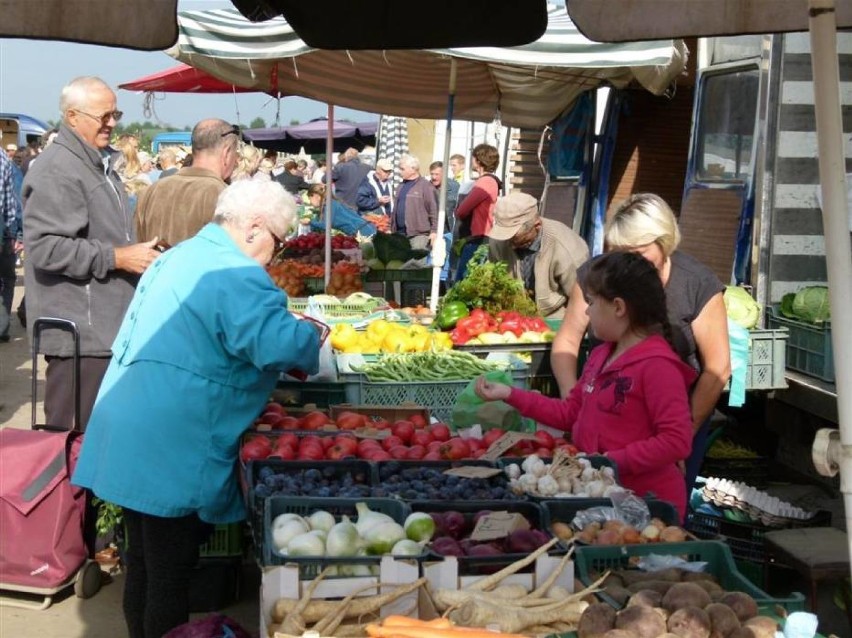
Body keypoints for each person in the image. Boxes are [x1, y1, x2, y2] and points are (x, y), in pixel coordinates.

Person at [72, 179, 322, 638]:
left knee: (144, 563)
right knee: (169, 571)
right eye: (278, 242)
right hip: (172, 436)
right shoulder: (235, 272)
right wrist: (313, 338)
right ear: (254, 227)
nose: (276, 254)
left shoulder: (178, 255)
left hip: (130, 422)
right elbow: (277, 346)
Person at [476, 251, 695, 519]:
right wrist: (509, 394)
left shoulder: (659, 366)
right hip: (600, 494)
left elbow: (676, 441)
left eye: (591, 303)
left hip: (647, 503)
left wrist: (610, 461)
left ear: (618, 307)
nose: (587, 311)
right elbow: (570, 412)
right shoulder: (602, 354)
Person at [550, 193, 731, 495]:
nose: (626, 261)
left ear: (665, 242)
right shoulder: (598, 275)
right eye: (618, 251)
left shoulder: (696, 283)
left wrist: (680, 438)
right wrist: (577, 404)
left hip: (677, 419)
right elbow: (567, 340)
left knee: (658, 511)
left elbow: (718, 369)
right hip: (609, 417)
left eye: (637, 250)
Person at [22, 76, 161, 429]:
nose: (113, 122)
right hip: (80, 336)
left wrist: (135, 251)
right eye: (105, 116)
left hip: (101, 331)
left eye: (116, 113)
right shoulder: (57, 169)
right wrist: (118, 257)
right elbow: (44, 248)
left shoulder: (93, 163)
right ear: (72, 116)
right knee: (70, 446)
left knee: (95, 444)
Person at [135, 119, 239, 246]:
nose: (236, 161)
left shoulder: (150, 191)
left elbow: (136, 249)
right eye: (236, 155)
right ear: (227, 152)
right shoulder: (226, 197)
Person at [487, 191, 589, 319]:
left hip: (556, 319)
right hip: (512, 317)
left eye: (515, 237)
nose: (510, 244)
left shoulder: (568, 249)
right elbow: (494, 283)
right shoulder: (498, 242)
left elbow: (582, 302)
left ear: (537, 225)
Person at [454, 143, 501, 281]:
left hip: (478, 239)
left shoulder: (485, 182)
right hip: (483, 237)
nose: (471, 161)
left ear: (479, 161)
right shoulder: (490, 181)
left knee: (464, 281)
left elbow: (462, 211)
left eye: (473, 158)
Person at [392, 154, 438, 249]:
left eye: (402, 169)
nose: (399, 171)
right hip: (400, 234)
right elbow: (395, 209)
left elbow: (434, 210)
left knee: (416, 263)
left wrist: (434, 231)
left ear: (413, 169)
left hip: (418, 236)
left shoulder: (426, 186)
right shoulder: (401, 185)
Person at [304, 183, 377, 237]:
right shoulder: (330, 203)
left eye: (310, 199)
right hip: (363, 229)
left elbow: (326, 225)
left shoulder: (330, 205)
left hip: (364, 231)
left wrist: (310, 222)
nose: (310, 202)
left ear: (316, 196)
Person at [0, 150, 18, 342]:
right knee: (6, 279)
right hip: (2, 230)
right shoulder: (3, 158)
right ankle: (2, 326)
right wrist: (12, 233)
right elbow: (9, 204)